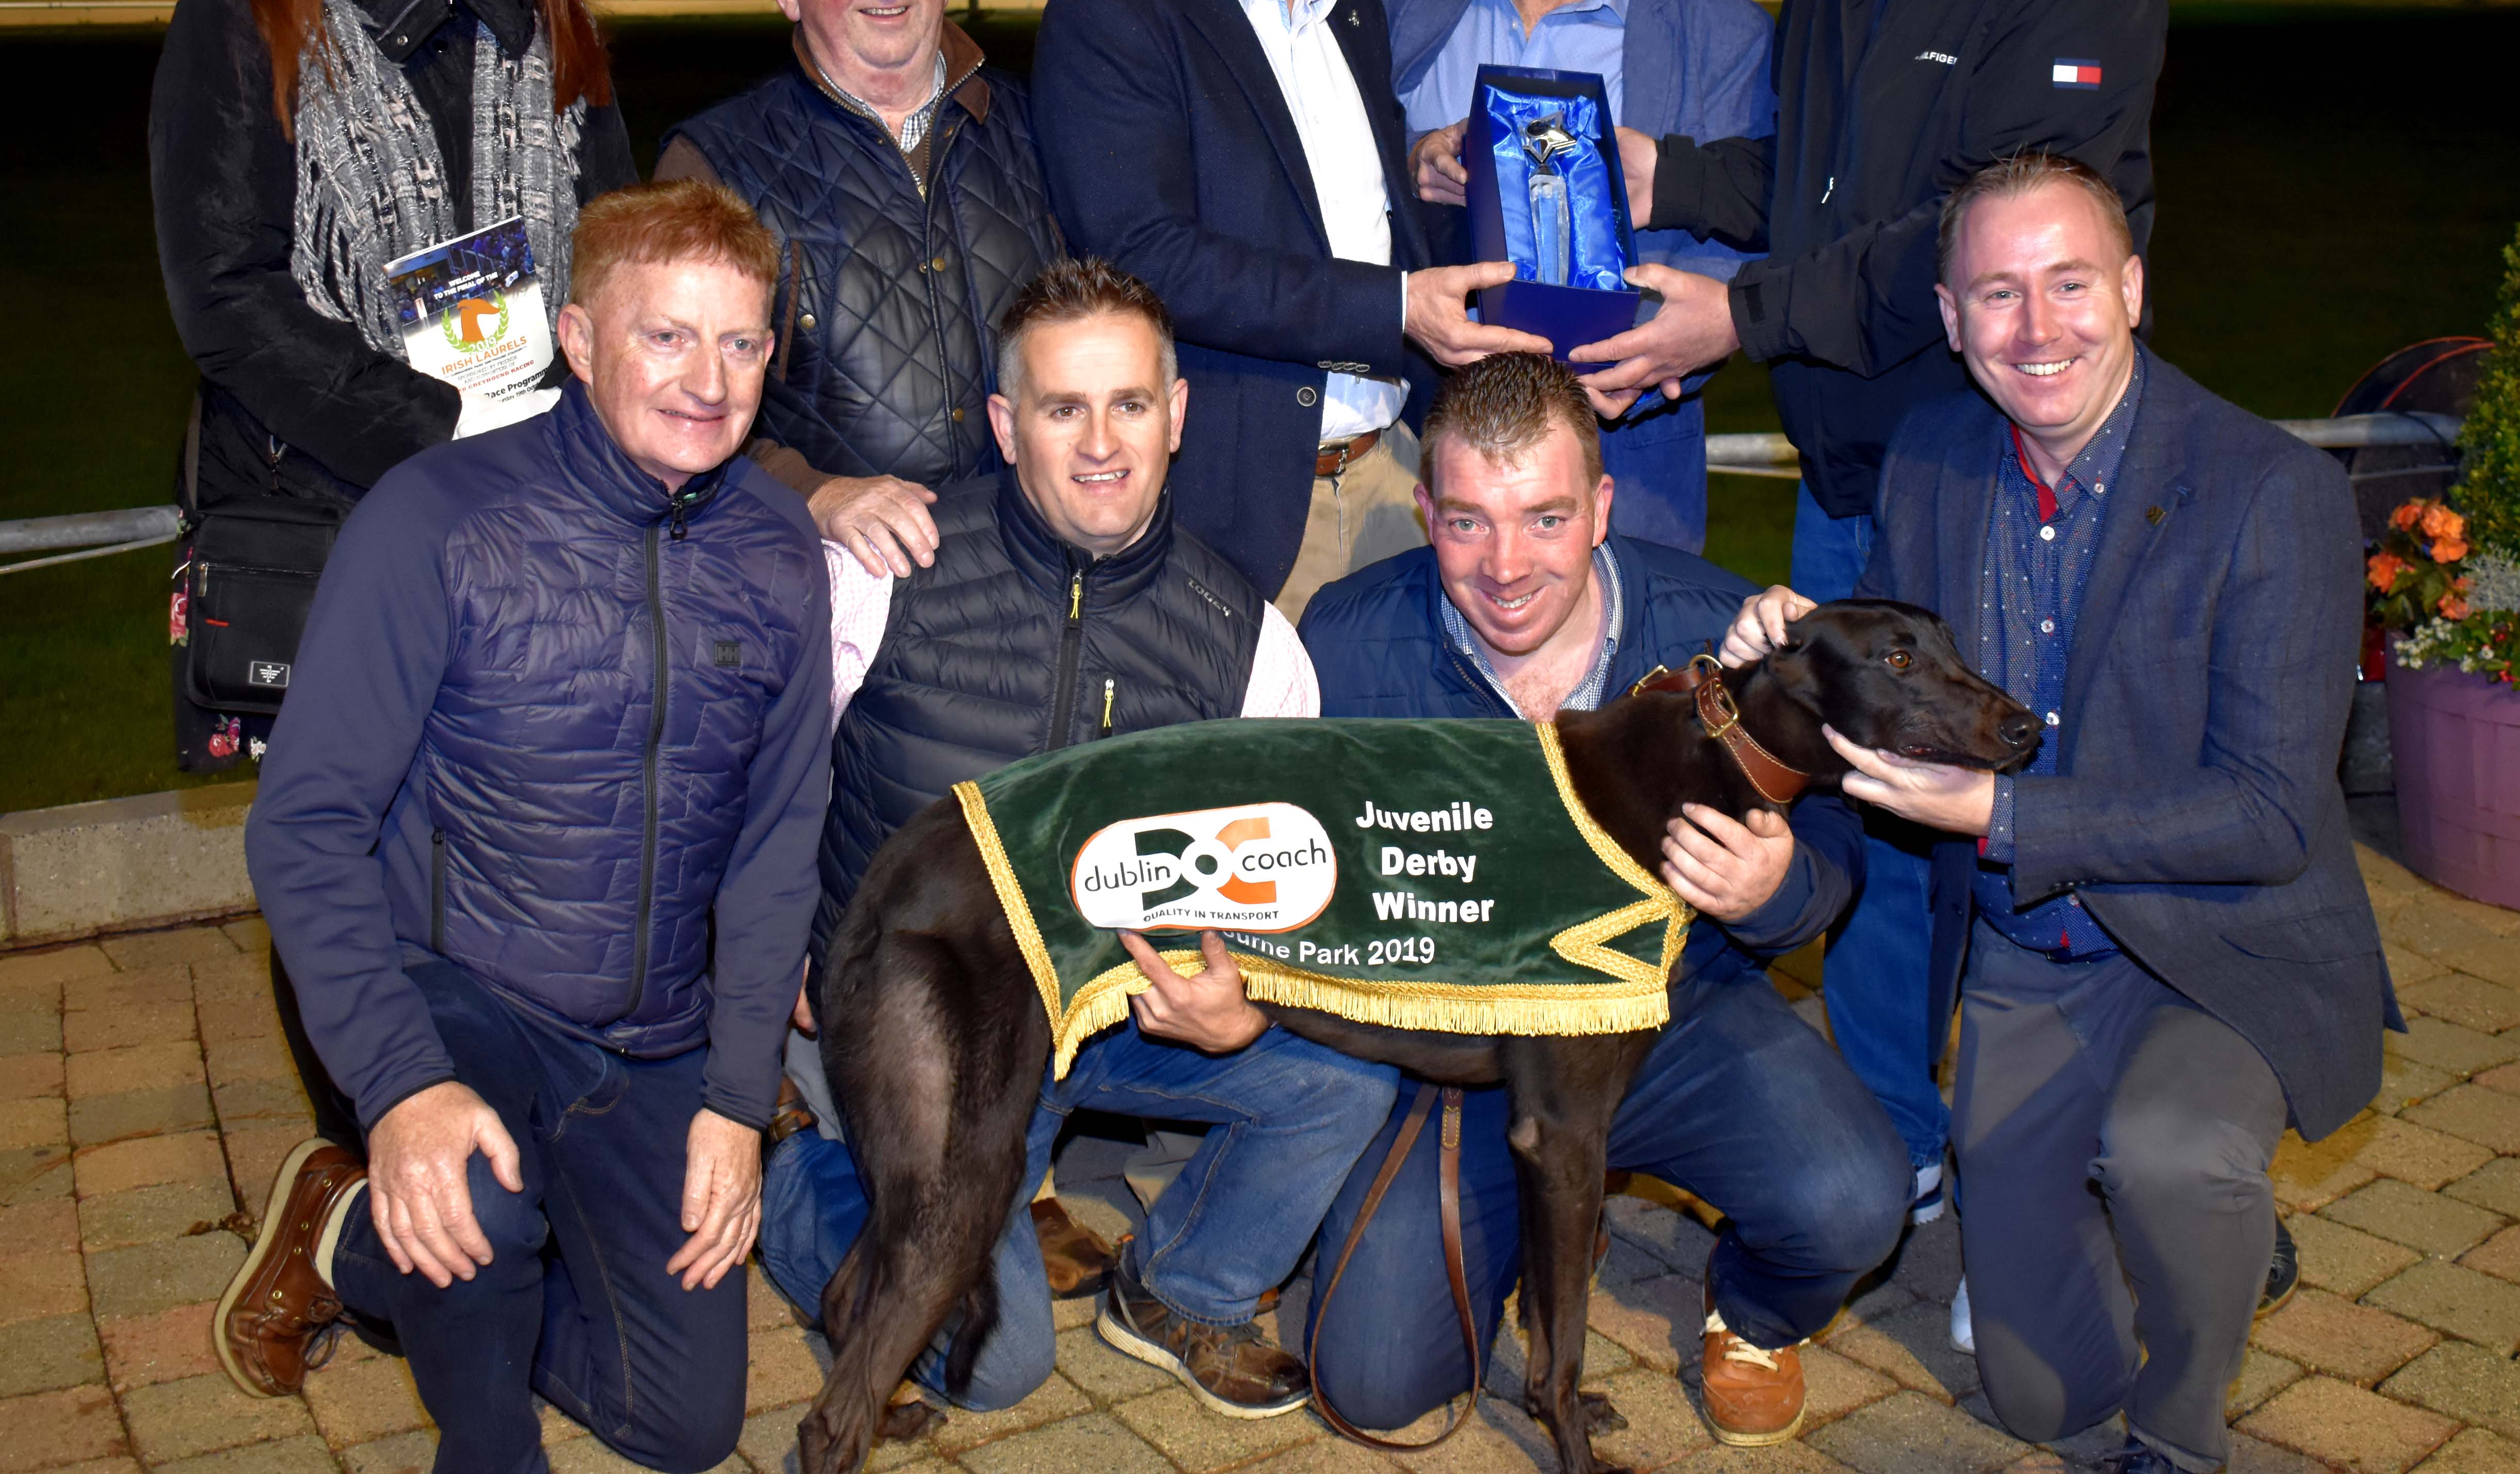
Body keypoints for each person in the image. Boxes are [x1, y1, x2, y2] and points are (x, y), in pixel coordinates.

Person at [1576, 0, 2170, 1212]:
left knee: (2022, 836)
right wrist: (1664, 178)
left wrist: (1739, 318)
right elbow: (1815, 176)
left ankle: (2080, 1163)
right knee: (1882, 833)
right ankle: (1903, 1144)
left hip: (1996, 465)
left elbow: (1973, 238)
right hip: (1858, 478)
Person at [1722, 155, 2396, 1474]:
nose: (2039, 330)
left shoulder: (2275, 492)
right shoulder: (1932, 458)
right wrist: (1784, 645)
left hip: (2220, 945)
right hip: (2036, 956)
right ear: (1953, 316)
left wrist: (2005, 808)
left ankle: (2185, 1419)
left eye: (2071, 283)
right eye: (1998, 293)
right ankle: (2163, 1231)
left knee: (2171, 1151)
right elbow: (1891, 688)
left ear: (2134, 287)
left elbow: (2268, 814)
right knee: (2037, 1397)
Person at [211, 180, 829, 1474]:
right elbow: (305, 825)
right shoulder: (437, 517)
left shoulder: (781, 550)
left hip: (651, 1032)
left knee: (683, 1425)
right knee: (474, 1198)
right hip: (462, 992)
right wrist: (400, 1081)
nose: (708, 381)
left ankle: (370, 1235)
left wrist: (731, 1097)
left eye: (742, 342)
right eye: (666, 334)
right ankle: (476, 1404)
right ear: (580, 336)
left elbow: (779, 845)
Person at [760, 256, 1397, 1427]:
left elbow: (1284, 895)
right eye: (1064, 407)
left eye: (1131, 403)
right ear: (1008, 425)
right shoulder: (883, 569)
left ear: (1178, 414)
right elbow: (762, 782)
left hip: (1097, 1015)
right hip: (906, 1022)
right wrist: (784, 955)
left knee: (1349, 1071)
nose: (1101, 442)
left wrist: (1244, 996)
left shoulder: (1247, 641)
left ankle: (1180, 1286)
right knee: (999, 1367)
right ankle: (787, 1161)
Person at [1296, 354, 1905, 1449]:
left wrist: (1778, 888)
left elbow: (1839, 834)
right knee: (1379, 1376)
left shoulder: (1719, 633)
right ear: (1424, 508)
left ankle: (1752, 1309)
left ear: (1603, 507)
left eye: (1545, 516)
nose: (1507, 564)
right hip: (1467, 1046)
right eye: (1469, 522)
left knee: (1855, 1197)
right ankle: (1546, 1220)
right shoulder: (1344, 643)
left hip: (1672, 1008)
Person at [150, 0, 633, 780]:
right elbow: (225, 297)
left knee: (525, 834)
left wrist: (574, 420)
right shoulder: (239, 18)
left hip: (543, 493)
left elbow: (618, 246)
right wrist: (443, 423)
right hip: (335, 506)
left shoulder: (544, 9)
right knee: (348, 879)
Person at [1032, 0, 1546, 622]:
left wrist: (1500, 233)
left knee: (1409, 766)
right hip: (1243, 517)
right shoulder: (1112, 14)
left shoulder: (1350, 3)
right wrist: (1394, 309)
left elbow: (1362, 219)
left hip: (1395, 481)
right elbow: (1145, 256)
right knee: (1256, 773)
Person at [1377, 0, 1775, 551]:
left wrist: (1695, 331)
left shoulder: (1723, 32)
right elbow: (1352, 174)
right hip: (1422, 476)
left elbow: (1759, 234)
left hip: (1627, 486)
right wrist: (1413, 157)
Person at [659, 0, 1061, 581]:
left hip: (1036, 584)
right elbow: (659, 407)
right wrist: (811, 494)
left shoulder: (1044, 125)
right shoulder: (713, 164)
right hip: (831, 601)